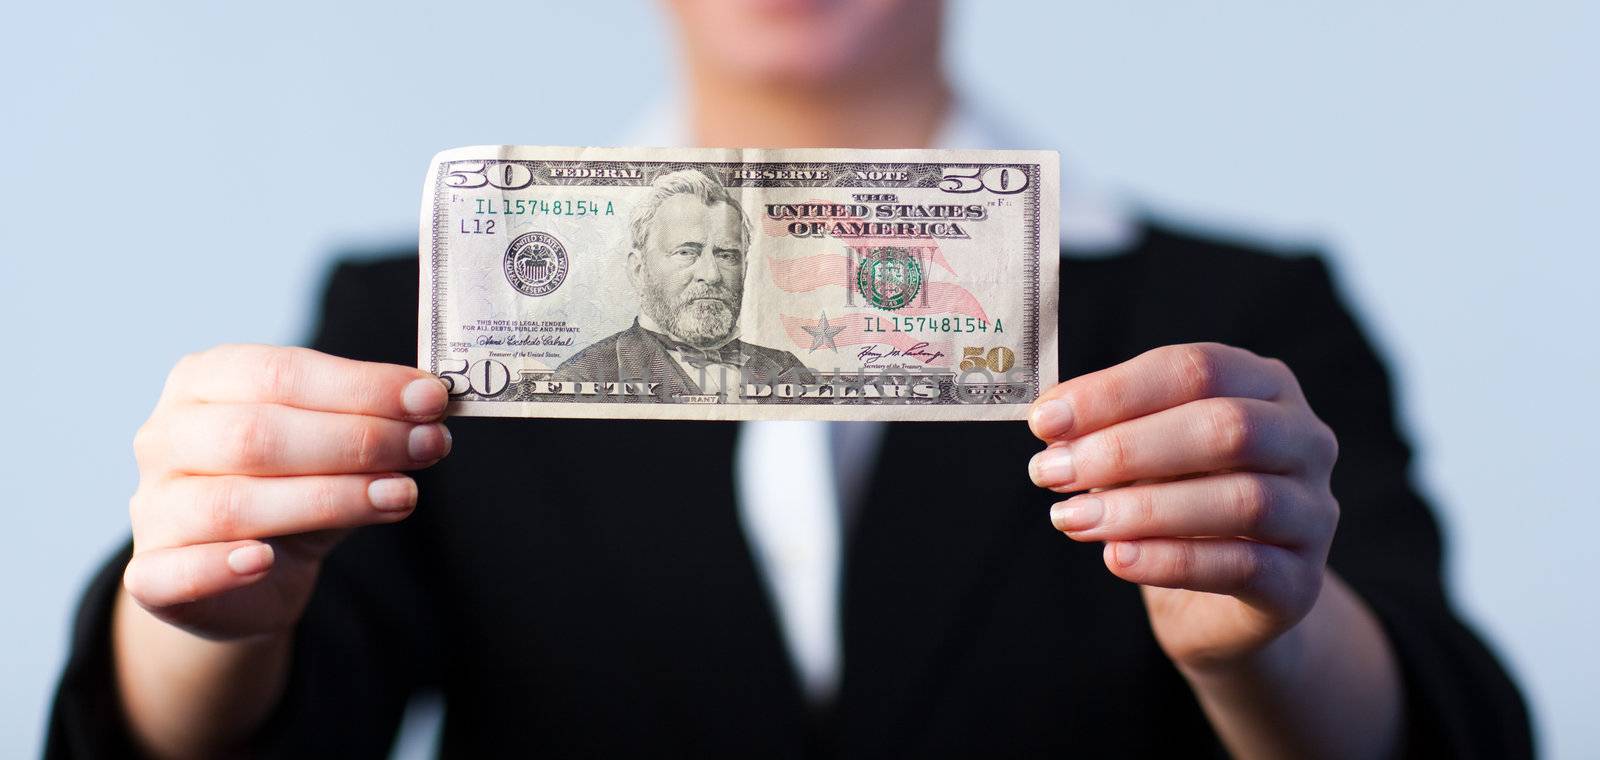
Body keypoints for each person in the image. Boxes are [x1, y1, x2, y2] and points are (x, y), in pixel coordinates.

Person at [47, 1, 1532, 758]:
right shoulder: (420, 313)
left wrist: (1266, 640)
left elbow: (1455, 725)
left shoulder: (1239, 322)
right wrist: (191, 613)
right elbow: (277, 722)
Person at [551, 168, 815, 400]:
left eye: (726, 255)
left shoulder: (787, 368)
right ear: (638, 269)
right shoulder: (579, 377)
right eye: (687, 252)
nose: (711, 275)